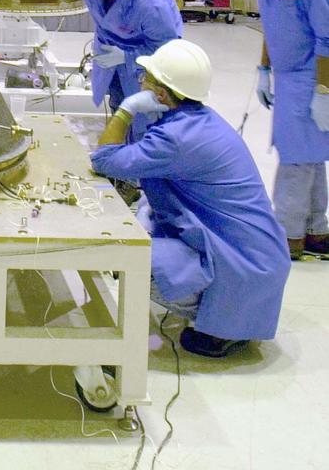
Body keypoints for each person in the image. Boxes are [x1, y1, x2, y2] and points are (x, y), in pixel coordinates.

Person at [91, 38, 290, 358]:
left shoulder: (174, 139)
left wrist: (126, 110)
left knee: (136, 261)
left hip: (243, 266)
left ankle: (218, 325)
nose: (141, 81)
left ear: (161, 94)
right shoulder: (200, 120)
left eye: (148, 79)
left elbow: (103, 159)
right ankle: (229, 317)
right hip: (258, 256)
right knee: (145, 214)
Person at [2, 0, 181, 135]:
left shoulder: (151, 2)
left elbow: (169, 49)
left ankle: (140, 156)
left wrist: (128, 57)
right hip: (111, 54)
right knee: (119, 108)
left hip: (144, 62)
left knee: (144, 117)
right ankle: (119, 148)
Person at [234, 0, 329, 259]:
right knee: (309, 152)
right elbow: (271, 20)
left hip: (313, 73)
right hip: (288, 74)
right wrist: (263, 68)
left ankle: (287, 236)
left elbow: (327, 34)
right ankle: (316, 230)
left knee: (296, 156)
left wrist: (323, 92)